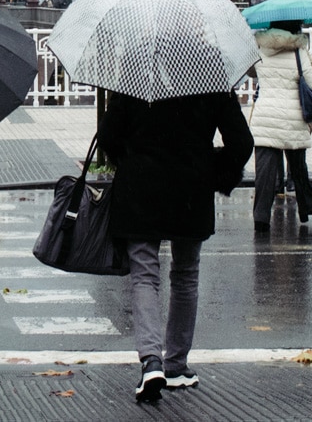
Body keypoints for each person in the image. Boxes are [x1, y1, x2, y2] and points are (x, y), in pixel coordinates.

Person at [98, 91, 253, 402]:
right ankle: (177, 366)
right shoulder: (209, 75)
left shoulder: (135, 74)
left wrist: (131, 159)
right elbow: (242, 143)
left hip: (141, 185)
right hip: (190, 187)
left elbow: (109, 138)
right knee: (185, 274)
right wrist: (212, 168)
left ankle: (151, 360)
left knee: (144, 275)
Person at [248, 20, 312, 233]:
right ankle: (307, 206)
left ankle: (261, 217)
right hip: (293, 117)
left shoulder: (261, 47)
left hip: (266, 117)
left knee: (264, 172)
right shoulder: (299, 52)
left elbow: (252, 72)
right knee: (298, 167)